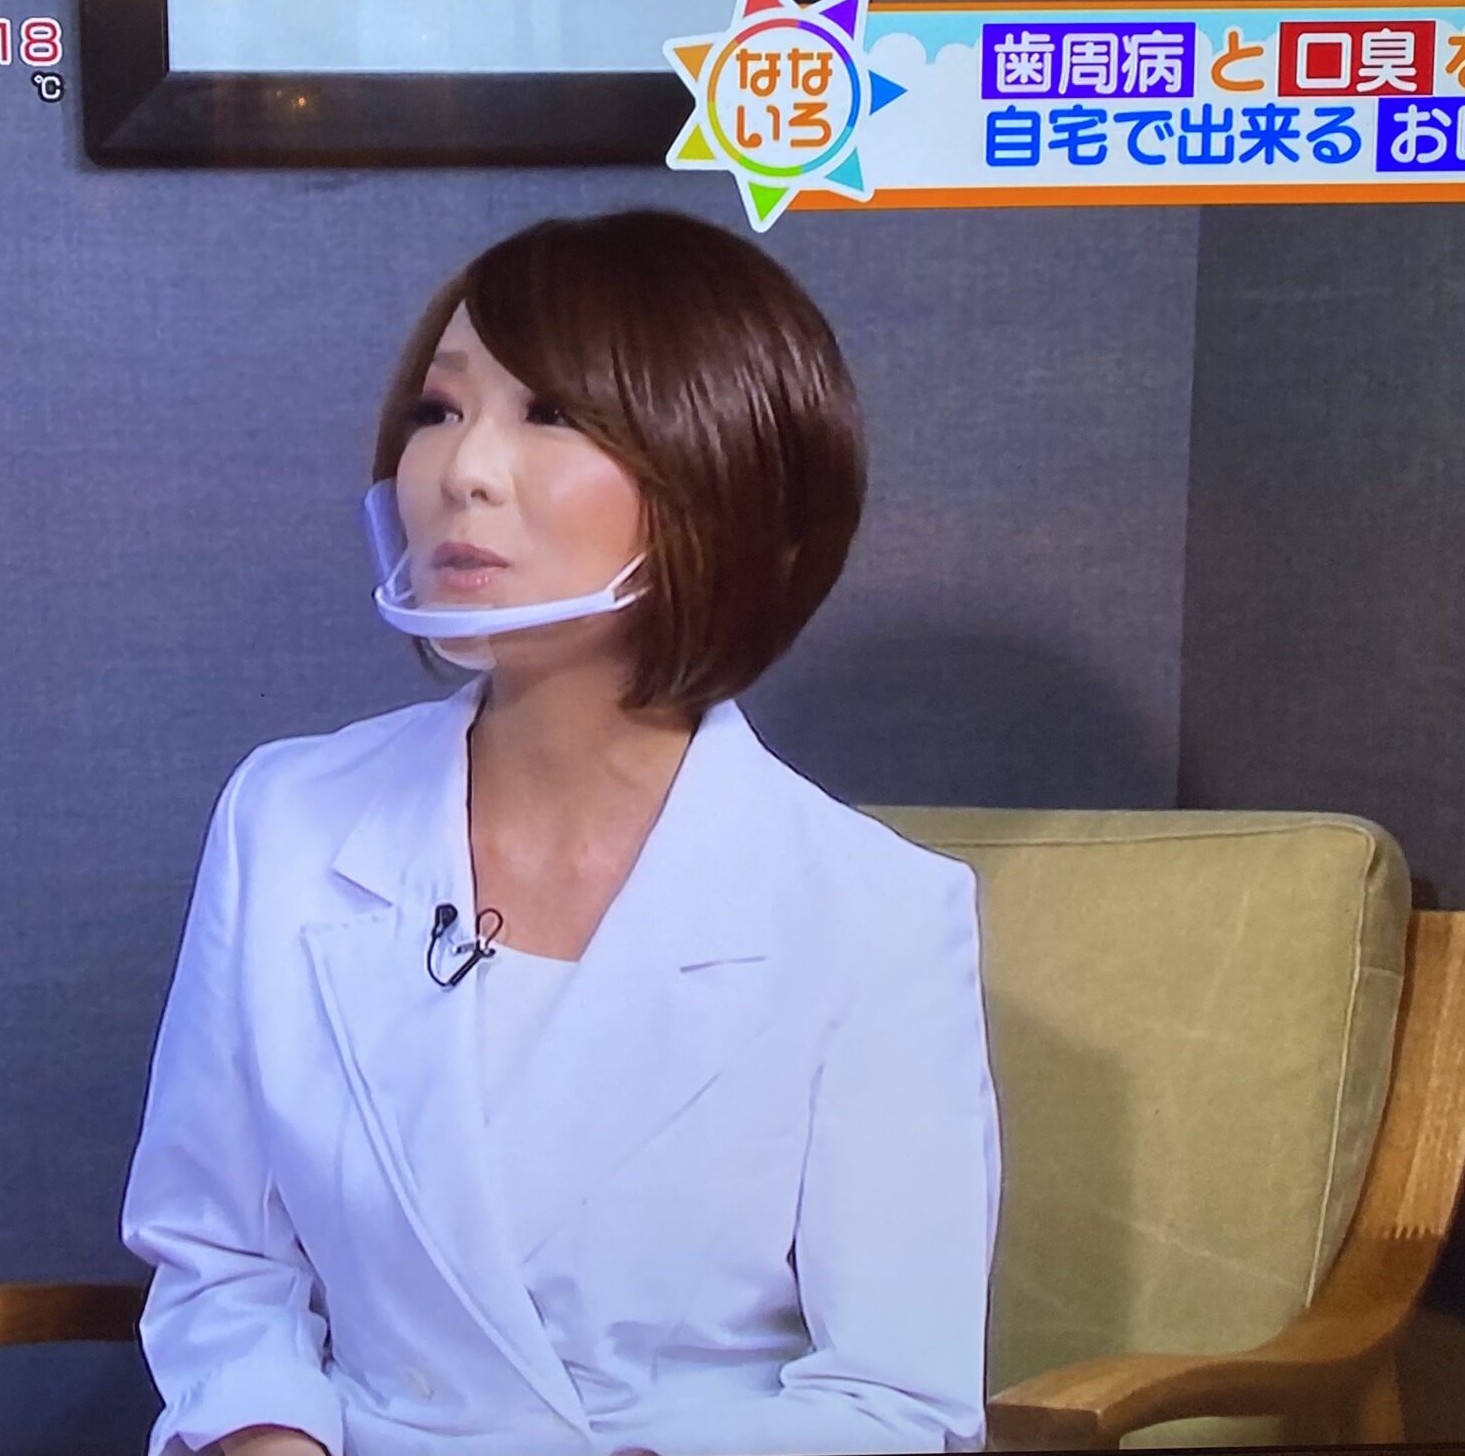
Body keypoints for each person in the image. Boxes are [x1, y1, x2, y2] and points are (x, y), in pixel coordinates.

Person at [122, 209, 1000, 1456]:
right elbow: (220, 1264)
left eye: (551, 414)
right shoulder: (288, 816)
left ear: (720, 473)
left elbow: (894, 1394)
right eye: (439, 410)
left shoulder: (872, 913)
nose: (464, 470)